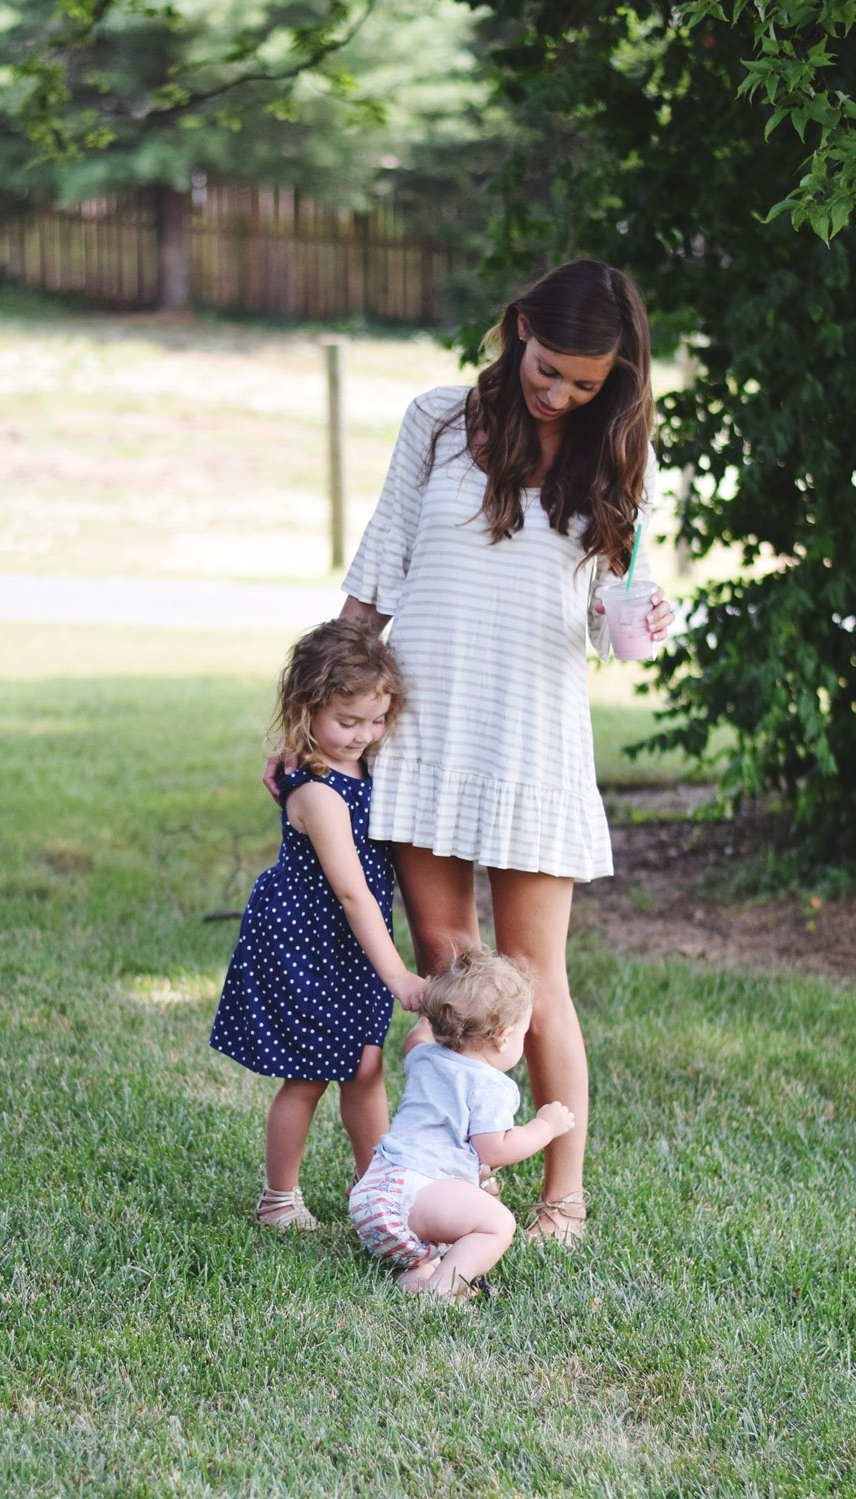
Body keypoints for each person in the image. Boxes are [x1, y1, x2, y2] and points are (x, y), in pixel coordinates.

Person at [266, 258, 672, 1243]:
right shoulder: (439, 421)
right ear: (520, 325)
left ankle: (560, 1198)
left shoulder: (622, 452)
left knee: (534, 979)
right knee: (451, 966)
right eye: (550, 366)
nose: (560, 390)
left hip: (533, 735)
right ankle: (451, 1174)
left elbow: (618, 616)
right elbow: (377, 571)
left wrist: (646, 614)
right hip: (427, 729)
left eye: (585, 380)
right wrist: (311, 719)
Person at [211, 618, 427, 1233]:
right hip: (310, 943)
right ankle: (279, 1200)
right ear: (308, 710)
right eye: (347, 722)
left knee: (365, 1067)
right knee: (307, 1075)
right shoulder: (319, 793)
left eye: (377, 720)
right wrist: (399, 976)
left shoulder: (361, 764)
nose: (364, 735)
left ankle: (377, 1189)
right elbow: (354, 892)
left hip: (350, 948)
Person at [348, 948, 576, 1301]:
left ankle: (419, 1276)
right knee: (498, 1224)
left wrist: (431, 1016)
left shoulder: (424, 1057)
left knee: (455, 1217)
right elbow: (494, 1148)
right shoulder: (491, 1085)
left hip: (374, 1192)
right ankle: (441, 1293)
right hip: (416, 1193)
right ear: (502, 1036)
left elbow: (417, 1039)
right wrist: (545, 1127)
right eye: (522, 1034)